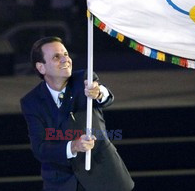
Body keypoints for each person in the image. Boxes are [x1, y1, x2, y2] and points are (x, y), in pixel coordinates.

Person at [20, 37, 134, 191]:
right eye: (56, 57)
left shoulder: (84, 80)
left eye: (66, 54)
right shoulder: (31, 102)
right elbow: (40, 148)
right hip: (62, 183)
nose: (65, 59)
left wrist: (99, 92)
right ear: (41, 67)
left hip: (104, 177)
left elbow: (105, 97)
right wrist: (73, 147)